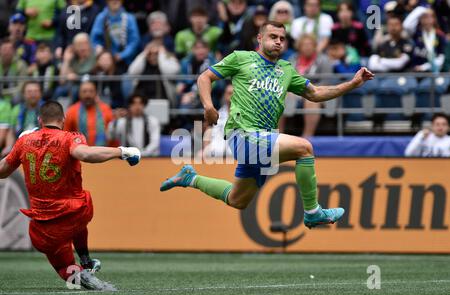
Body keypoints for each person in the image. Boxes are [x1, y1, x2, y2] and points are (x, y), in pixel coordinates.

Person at [160, 21, 374, 229]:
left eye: (282, 38)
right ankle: (312, 213)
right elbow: (205, 77)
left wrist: (352, 84)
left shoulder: (286, 70)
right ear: (260, 38)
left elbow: (315, 93)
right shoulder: (241, 58)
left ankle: (190, 178)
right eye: (273, 37)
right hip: (242, 135)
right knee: (304, 149)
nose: (278, 41)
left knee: (237, 199)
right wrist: (208, 106)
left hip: (263, 139)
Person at [0, 100, 141, 290]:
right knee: (83, 200)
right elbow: (85, 154)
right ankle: (85, 261)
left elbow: (3, 170)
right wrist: (122, 151)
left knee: (63, 267)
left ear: (40, 120)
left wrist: (21, 144)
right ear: (64, 119)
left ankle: (81, 271)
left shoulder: (24, 141)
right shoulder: (70, 138)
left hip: (43, 227)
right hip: (74, 213)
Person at [90, 0, 141, 74]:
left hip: (126, 62)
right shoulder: (101, 18)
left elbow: (134, 41)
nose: (115, 1)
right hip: (106, 62)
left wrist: (123, 55)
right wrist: (99, 49)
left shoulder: (129, 18)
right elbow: (94, 39)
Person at [64, 80, 114, 146]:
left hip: (103, 153)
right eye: (84, 91)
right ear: (79, 94)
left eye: (91, 91)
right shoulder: (71, 111)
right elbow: (65, 136)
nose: (87, 95)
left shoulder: (106, 109)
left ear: (96, 93)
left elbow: (113, 135)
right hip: (79, 154)